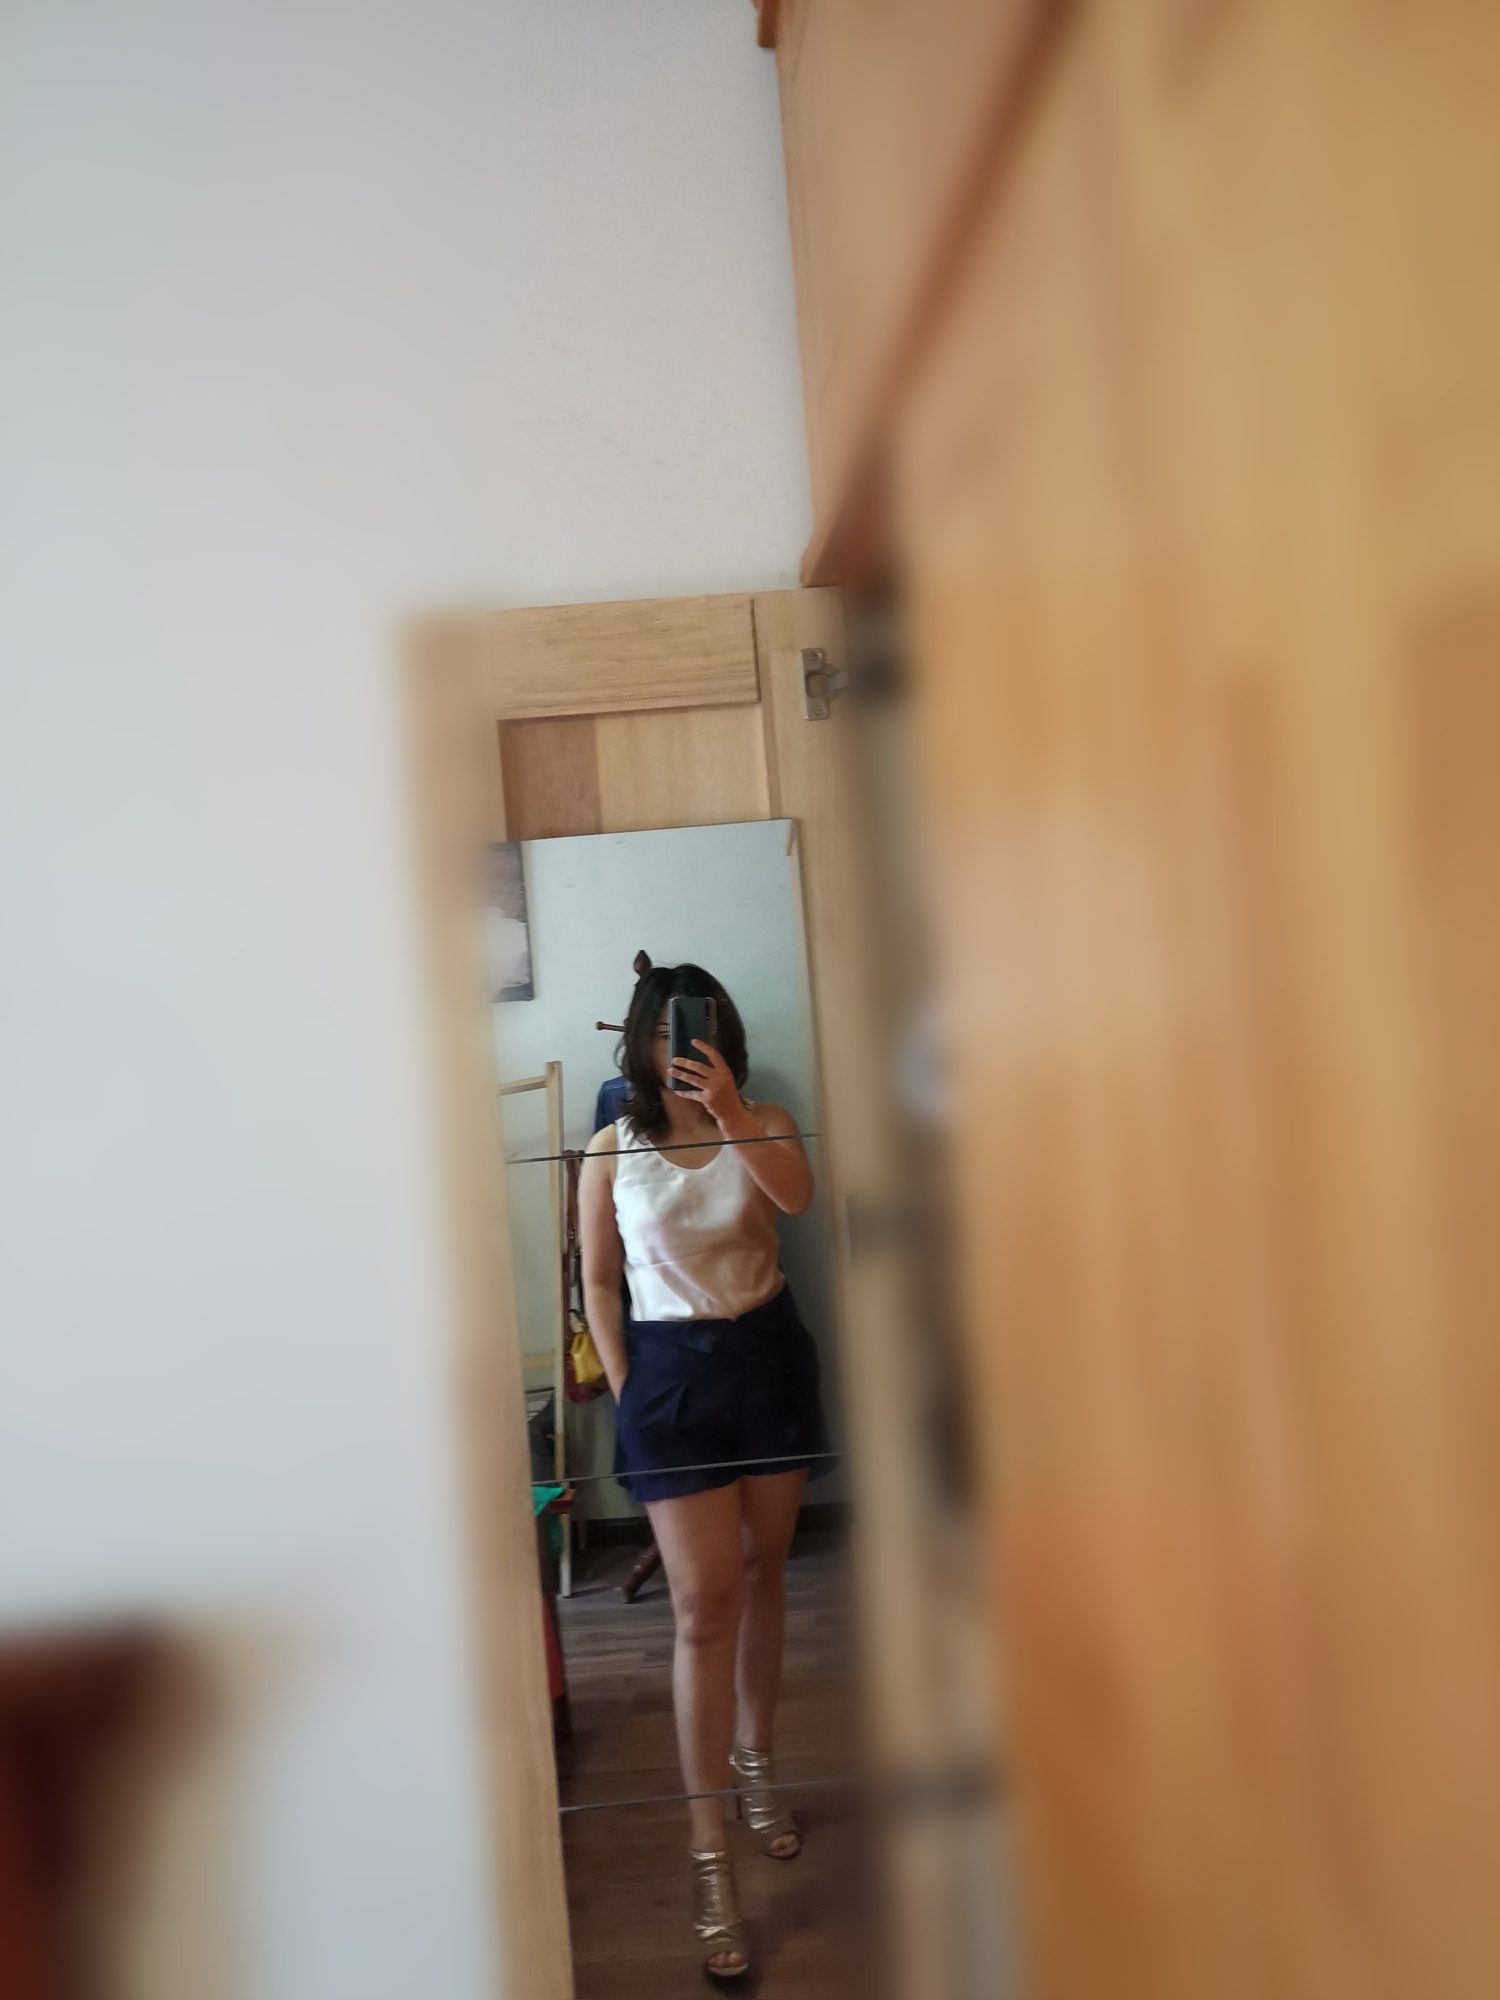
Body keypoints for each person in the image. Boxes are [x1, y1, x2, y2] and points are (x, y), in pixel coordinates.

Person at [579, 962, 831, 1982]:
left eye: (705, 1026)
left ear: (724, 1035)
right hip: (668, 1376)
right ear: (640, 1040)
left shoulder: (762, 1119)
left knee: (764, 1573)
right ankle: (707, 1852)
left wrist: (728, 1115)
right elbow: (599, 1280)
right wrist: (631, 1384)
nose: (685, 1045)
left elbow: (798, 1200)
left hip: (766, 1361)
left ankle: (757, 1762)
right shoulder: (610, 1146)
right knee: (700, 1608)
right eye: (670, 1031)